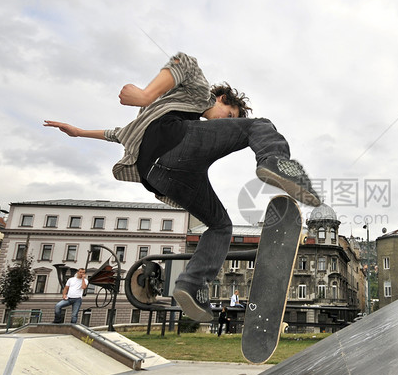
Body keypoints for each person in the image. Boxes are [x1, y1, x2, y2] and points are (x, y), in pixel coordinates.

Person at [44, 52, 320, 323]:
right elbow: (184, 61)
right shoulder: (200, 95)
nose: (225, 121)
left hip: (158, 175)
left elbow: (117, 133)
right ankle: (276, 162)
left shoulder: (166, 121)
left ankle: (190, 284)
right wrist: (145, 94)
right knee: (258, 126)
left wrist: (78, 132)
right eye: (229, 113)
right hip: (171, 143)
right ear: (221, 99)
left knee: (220, 225)